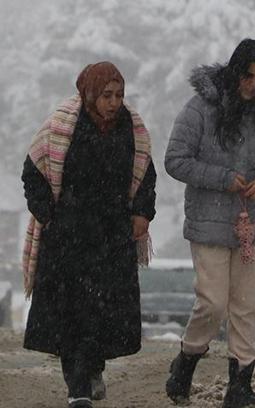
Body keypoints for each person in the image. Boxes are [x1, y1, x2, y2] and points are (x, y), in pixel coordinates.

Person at [164, 38, 255, 407]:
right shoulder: (200, 109)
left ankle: (240, 386)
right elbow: (175, 159)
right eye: (247, 76)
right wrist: (221, 178)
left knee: (245, 305)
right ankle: (187, 361)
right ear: (235, 73)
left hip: (252, 226)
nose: (253, 85)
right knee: (213, 304)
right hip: (209, 224)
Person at [21, 61, 156, 408]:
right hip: (67, 238)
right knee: (72, 315)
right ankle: (77, 388)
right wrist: (47, 214)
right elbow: (33, 171)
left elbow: (145, 175)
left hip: (112, 238)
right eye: (107, 95)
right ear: (89, 94)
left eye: (120, 95)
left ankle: (93, 369)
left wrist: (142, 212)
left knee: (102, 314)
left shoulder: (132, 129)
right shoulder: (62, 125)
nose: (114, 102)